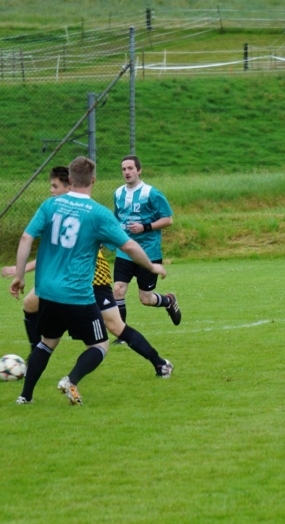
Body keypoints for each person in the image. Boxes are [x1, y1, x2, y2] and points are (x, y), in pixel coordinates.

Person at [10, 156, 166, 406]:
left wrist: (19, 275)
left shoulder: (50, 205)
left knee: (47, 343)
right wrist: (151, 266)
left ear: (70, 180)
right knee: (100, 344)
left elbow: (26, 238)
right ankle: (70, 380)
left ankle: (25, 396)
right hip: (78, 294)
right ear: (93, 180)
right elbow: (128, 246)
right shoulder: (98, 213)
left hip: (48, 291)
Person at [113, 155, 181, 327]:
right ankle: (122, 333)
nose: (127, 172)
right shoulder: (118, 193)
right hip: (125, 250)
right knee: (118, 290)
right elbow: (117, 219)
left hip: (148, 251)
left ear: (139, 170)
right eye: (124, 169)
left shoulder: (151, 193)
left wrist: (145, 227)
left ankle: (168, 301)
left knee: (146, 298)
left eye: (130, 168)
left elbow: (168, 220)